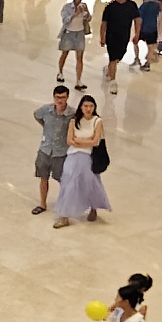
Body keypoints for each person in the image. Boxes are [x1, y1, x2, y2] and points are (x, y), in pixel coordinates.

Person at [54, 92, 110, 228]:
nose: (88, 109)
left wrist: (78, 141)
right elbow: (69, 140)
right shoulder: (74, 121)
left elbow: (95, 141)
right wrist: (85, 141)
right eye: (85, 106)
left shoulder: (97, 121)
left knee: (90, 182)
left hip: (88, 157)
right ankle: (65, 215)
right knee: (68, 183)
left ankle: (93, 207)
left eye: (91, 106)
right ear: (81, 107)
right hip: (73, 156)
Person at [32, 83, 74, 215]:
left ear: (67, 98)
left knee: (63, 179)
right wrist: (46, 129)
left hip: (61, 152)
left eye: (62, 97)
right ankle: (42, 204)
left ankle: (65, 204)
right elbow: (37, 115)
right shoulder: (46, 110)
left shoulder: (72, 114)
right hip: (45, 149)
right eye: (57, 97)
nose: (59, 100)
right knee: (43, 177)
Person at [99, 0, 137, 89]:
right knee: (112, 57)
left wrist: (137, 33)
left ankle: (109, 70)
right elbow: (104, 24)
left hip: (124, 36)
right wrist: (102, 37)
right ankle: (112, 81)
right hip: (111, 36)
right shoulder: (109, 7)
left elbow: (137, 19)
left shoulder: (131, 6)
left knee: (118, 57)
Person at [55, 0, 91, 87]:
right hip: (69, 33)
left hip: (79, 33)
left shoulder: (84, 6)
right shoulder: (67, 7)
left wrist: (87, 14)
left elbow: (89, 18)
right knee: (64, 54)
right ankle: (60, 72)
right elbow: (65, 20)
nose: (80, 0)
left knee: (80, 57)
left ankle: (78, 80)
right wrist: (75, 14)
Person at [130, 0, 161, 68]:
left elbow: (139, 19)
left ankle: (137, 58)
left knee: (135, 42)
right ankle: (148, 64)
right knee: (151, 46)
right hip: (153, 28)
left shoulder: (143, 6)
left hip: (143, 28)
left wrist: (137, 32)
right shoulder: (156, 5)